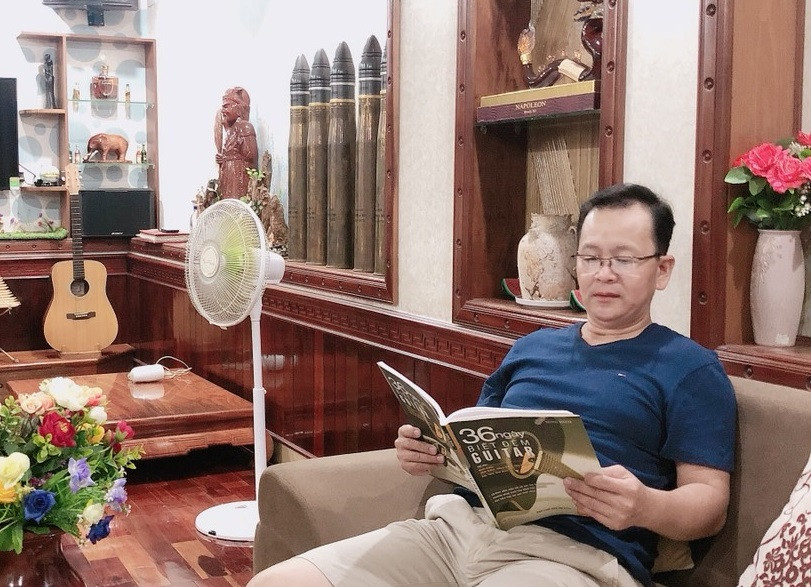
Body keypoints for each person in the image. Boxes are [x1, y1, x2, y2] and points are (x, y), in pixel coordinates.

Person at [248, 183, 737, 587]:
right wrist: (429, 451)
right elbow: (476, 444)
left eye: (624, 260)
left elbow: (709, 505)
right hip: (455, 532)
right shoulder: (532, 348)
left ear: (662, 270)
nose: (603, 274)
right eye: (590, 258)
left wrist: (646, 505)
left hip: (572, 557)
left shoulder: (688, 368)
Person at [215, 86, 258, 199]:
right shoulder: (231, 131)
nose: (223, 111)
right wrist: (223, 159)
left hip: (238, 180)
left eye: (226, 106)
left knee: (236, 206)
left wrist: (231, 158)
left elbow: (251, 157)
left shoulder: (245, 127)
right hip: (228, 179)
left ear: (238, 107)